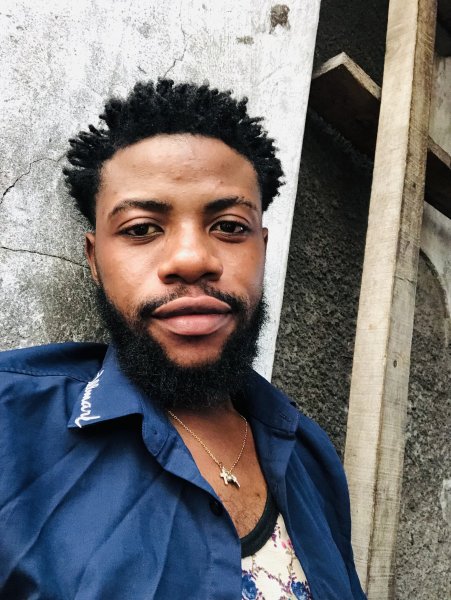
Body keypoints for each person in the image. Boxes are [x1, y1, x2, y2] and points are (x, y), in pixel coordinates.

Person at [0, 79, 366, 599]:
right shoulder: (11, 423)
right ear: (94, 260)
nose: (192, 260)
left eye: (230, 227)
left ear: (262, 249)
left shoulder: (310, 454)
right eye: (141, 228)